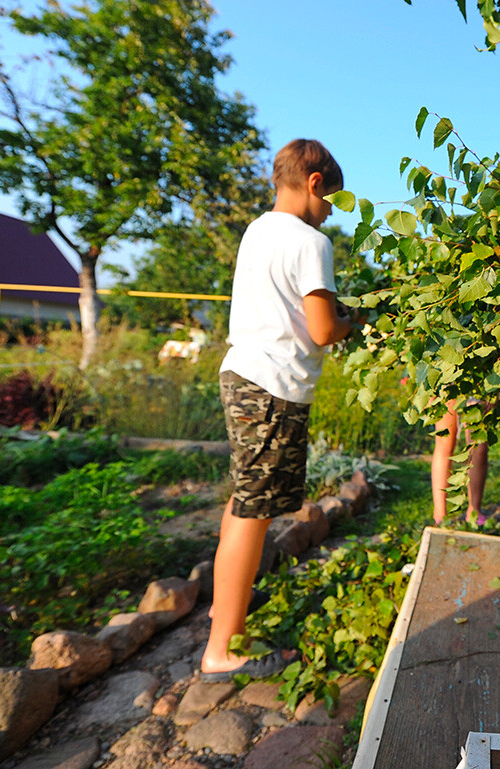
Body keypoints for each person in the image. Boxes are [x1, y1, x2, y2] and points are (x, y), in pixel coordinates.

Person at [199, 139, 352, 681]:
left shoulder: (258, 229)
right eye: (333, 197)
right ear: (314, 183)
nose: (333, 208)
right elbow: (322, 329)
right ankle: (222, 649)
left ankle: (226, 607)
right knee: (254, 511)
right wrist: (356, 320)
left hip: (243, 373)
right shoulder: (312, 240)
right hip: (273, 386)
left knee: (245, 499)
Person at [430, 399, 489, 526]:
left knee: (479, 446)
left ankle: (474, 511)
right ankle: (440, 515)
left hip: (478, 382)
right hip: (446, 382)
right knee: (444, 442)